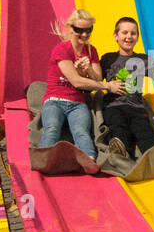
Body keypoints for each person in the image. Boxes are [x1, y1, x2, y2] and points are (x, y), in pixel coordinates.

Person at [40, 11, 124, 159]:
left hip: (77, 103)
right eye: (79, 30)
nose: (85, 35)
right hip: (55, 100)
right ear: (71, 28)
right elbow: (76, 81)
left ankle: (89, 159)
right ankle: (45, 157)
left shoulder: (91, 51)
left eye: (88, 30)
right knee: (52, 128)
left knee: (81, 132)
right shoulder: (62, 50)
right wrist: (108, 86)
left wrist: (88, 69)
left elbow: (97, 77)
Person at [99, 16, 154, 159]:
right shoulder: (107, 58)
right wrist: (85, 70)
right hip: (113, 106)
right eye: (124, 33)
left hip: (136, 107)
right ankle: (119, 152)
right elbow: (95, 81)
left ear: (137, 37)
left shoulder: (144, 59)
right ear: (115, 36)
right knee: (118, 128)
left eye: (133, 33)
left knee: (145, 132)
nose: (129, 37)